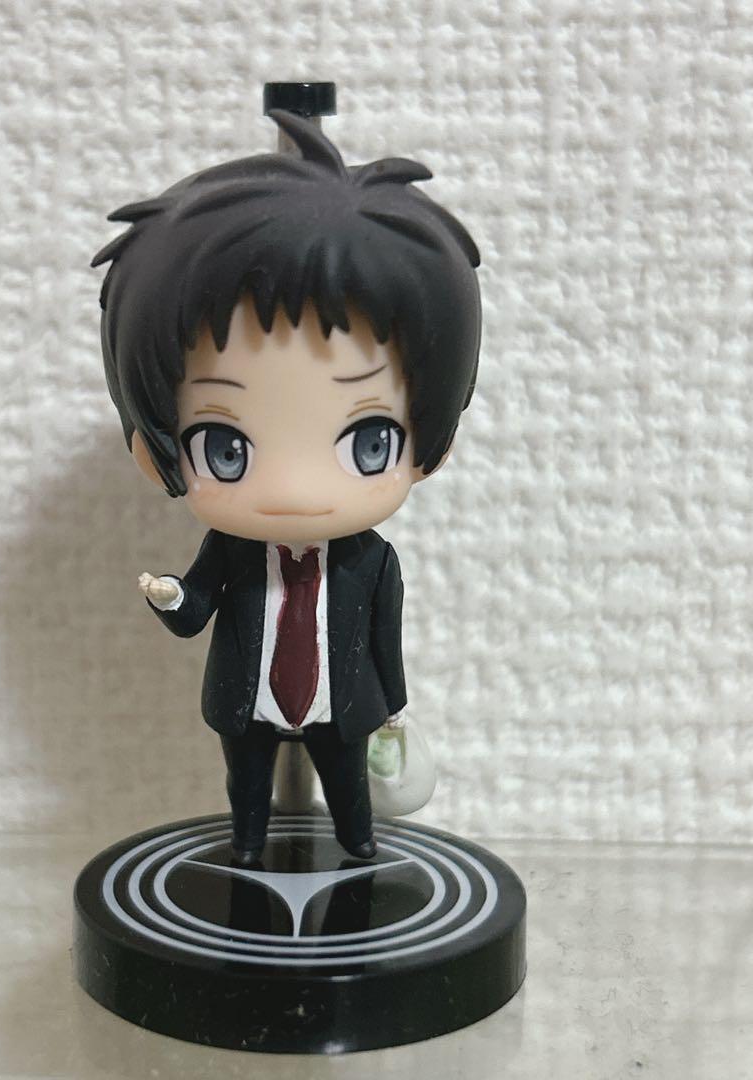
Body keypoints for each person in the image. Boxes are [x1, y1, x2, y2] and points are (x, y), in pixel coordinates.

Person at [93, 109, 482, 863]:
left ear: (432, 441)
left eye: (370, 442)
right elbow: (196, 613)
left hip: (344, 704)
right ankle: (245, 848)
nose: (297, 489)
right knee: (246, 787)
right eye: (226, 448)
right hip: (250, 702)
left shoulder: (371, 561)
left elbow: (385, 634)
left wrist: (395, 707)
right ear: (154, 448)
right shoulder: (229, 550)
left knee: (347, 787)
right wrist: (171, 597)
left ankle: (359, 846)